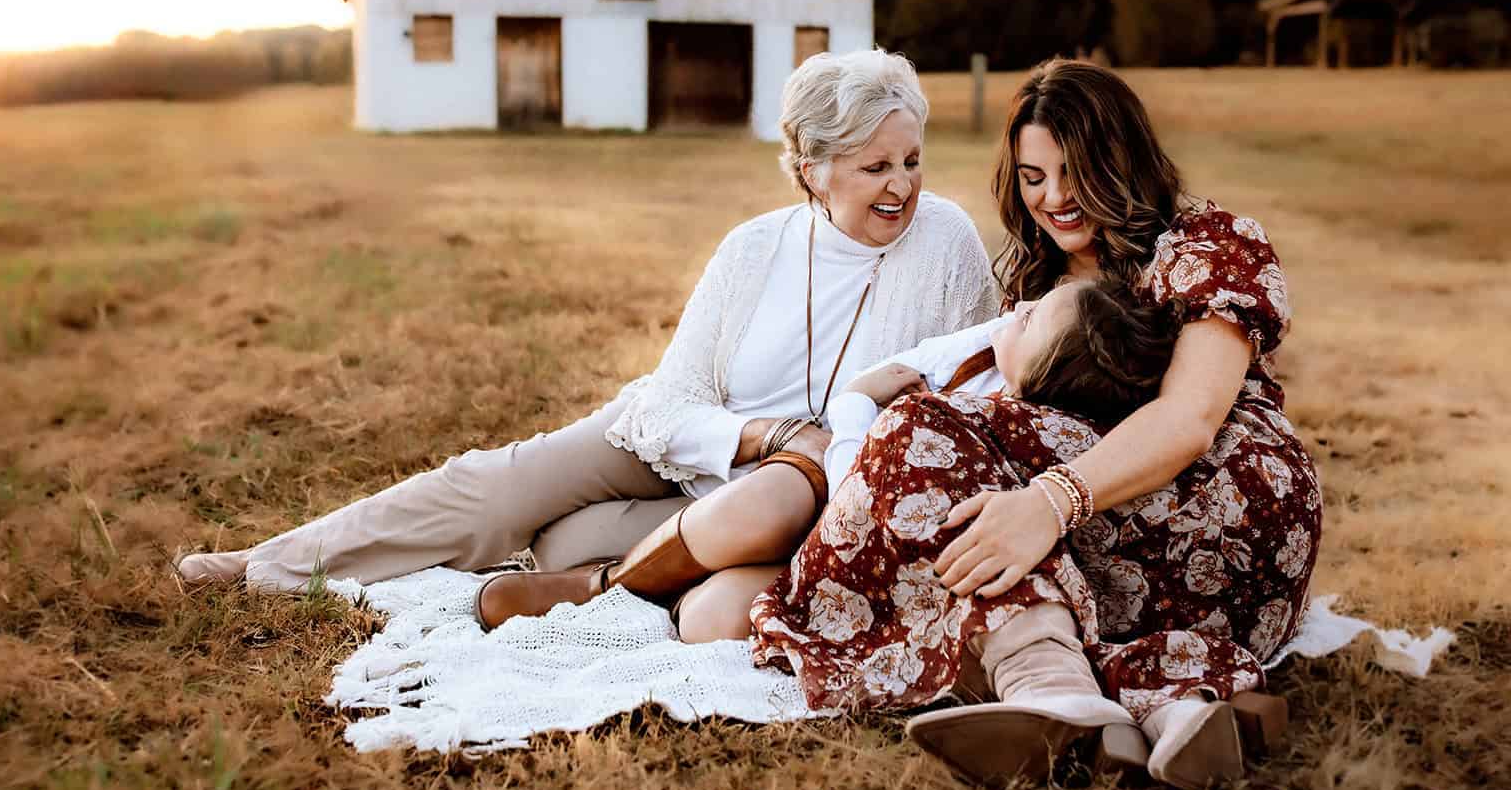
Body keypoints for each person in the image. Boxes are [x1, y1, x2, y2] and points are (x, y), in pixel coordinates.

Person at [174, 49, 1000, 592]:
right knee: (494, 484)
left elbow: (976, 397)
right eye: (875, 166)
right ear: (813, 169)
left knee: (565, 548)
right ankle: (270, 564)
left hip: (782, 503)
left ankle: (555, 563)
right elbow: (671, 400)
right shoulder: (755, 247)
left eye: (912, 160)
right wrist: (763, 434)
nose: (902, 185)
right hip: (685, 438)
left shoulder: (947, 243)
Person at [749, 59, 1321, 790]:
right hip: (1125, 561)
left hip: (1229, 511)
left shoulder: (1207, 243)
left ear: (1124, 158)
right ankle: (1168, 703)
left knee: (918, 431)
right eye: (1032, 177)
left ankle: (1050, 685)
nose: (1053, 198)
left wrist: (1047, 503)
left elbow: (1191, 420)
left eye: (1074, 172)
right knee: (965, 490)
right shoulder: (1035, 279)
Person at [474, 277, 1181, 645]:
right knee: (763, 505)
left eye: (1030, 318)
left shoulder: (1015, 429)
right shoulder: (976, 351)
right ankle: (600, 586)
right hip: (822, 496)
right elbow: (861, 421)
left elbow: (864, 479)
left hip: (863, 549)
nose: (1016, 307)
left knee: (713, 619)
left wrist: (859, 406)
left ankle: (662, 591)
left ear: (1038, 379)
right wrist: (855, 405)